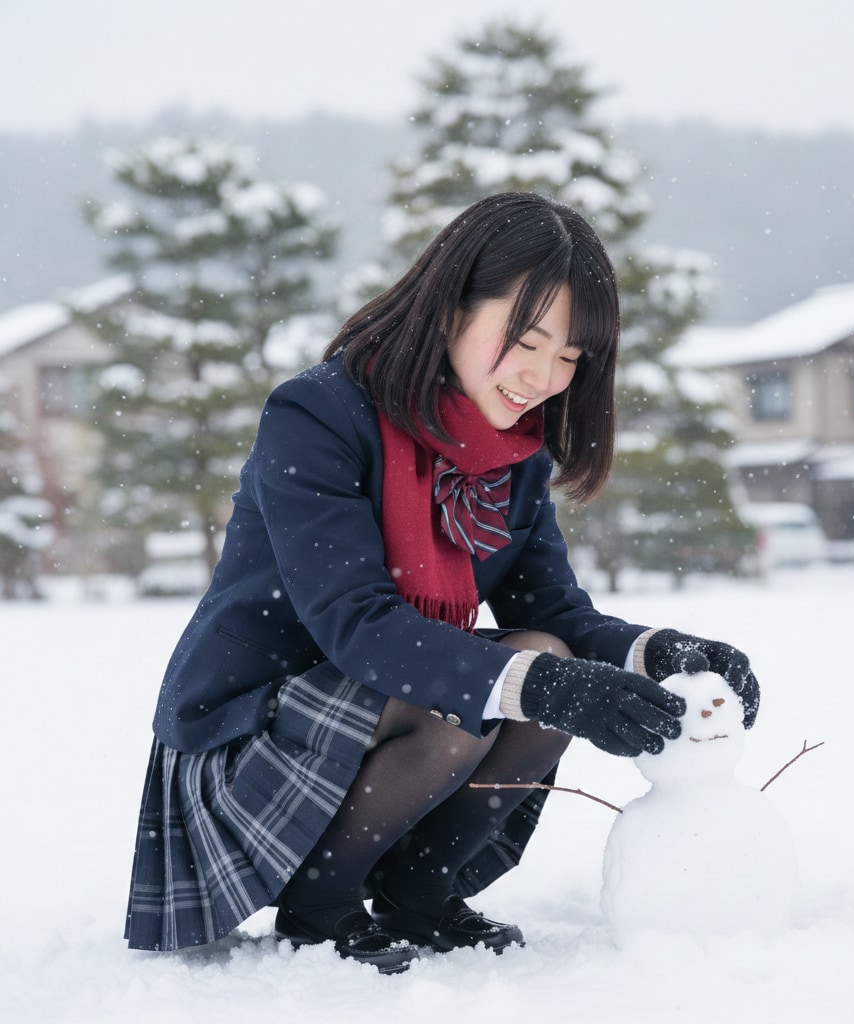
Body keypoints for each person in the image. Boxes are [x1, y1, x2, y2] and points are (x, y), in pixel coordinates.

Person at [124, 191, 760, 974]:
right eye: (526, 340)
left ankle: (417, 893)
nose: (543, 376)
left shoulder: (511, 456)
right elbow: (358, 624)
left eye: (570, 358)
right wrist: (547, 686)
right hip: (252, 727)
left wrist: (665, 654)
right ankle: (319, 904)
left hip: (395, 709)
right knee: (485, 689)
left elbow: (552, 609)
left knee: (542, 652)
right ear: (452, 306)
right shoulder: (318, 416)